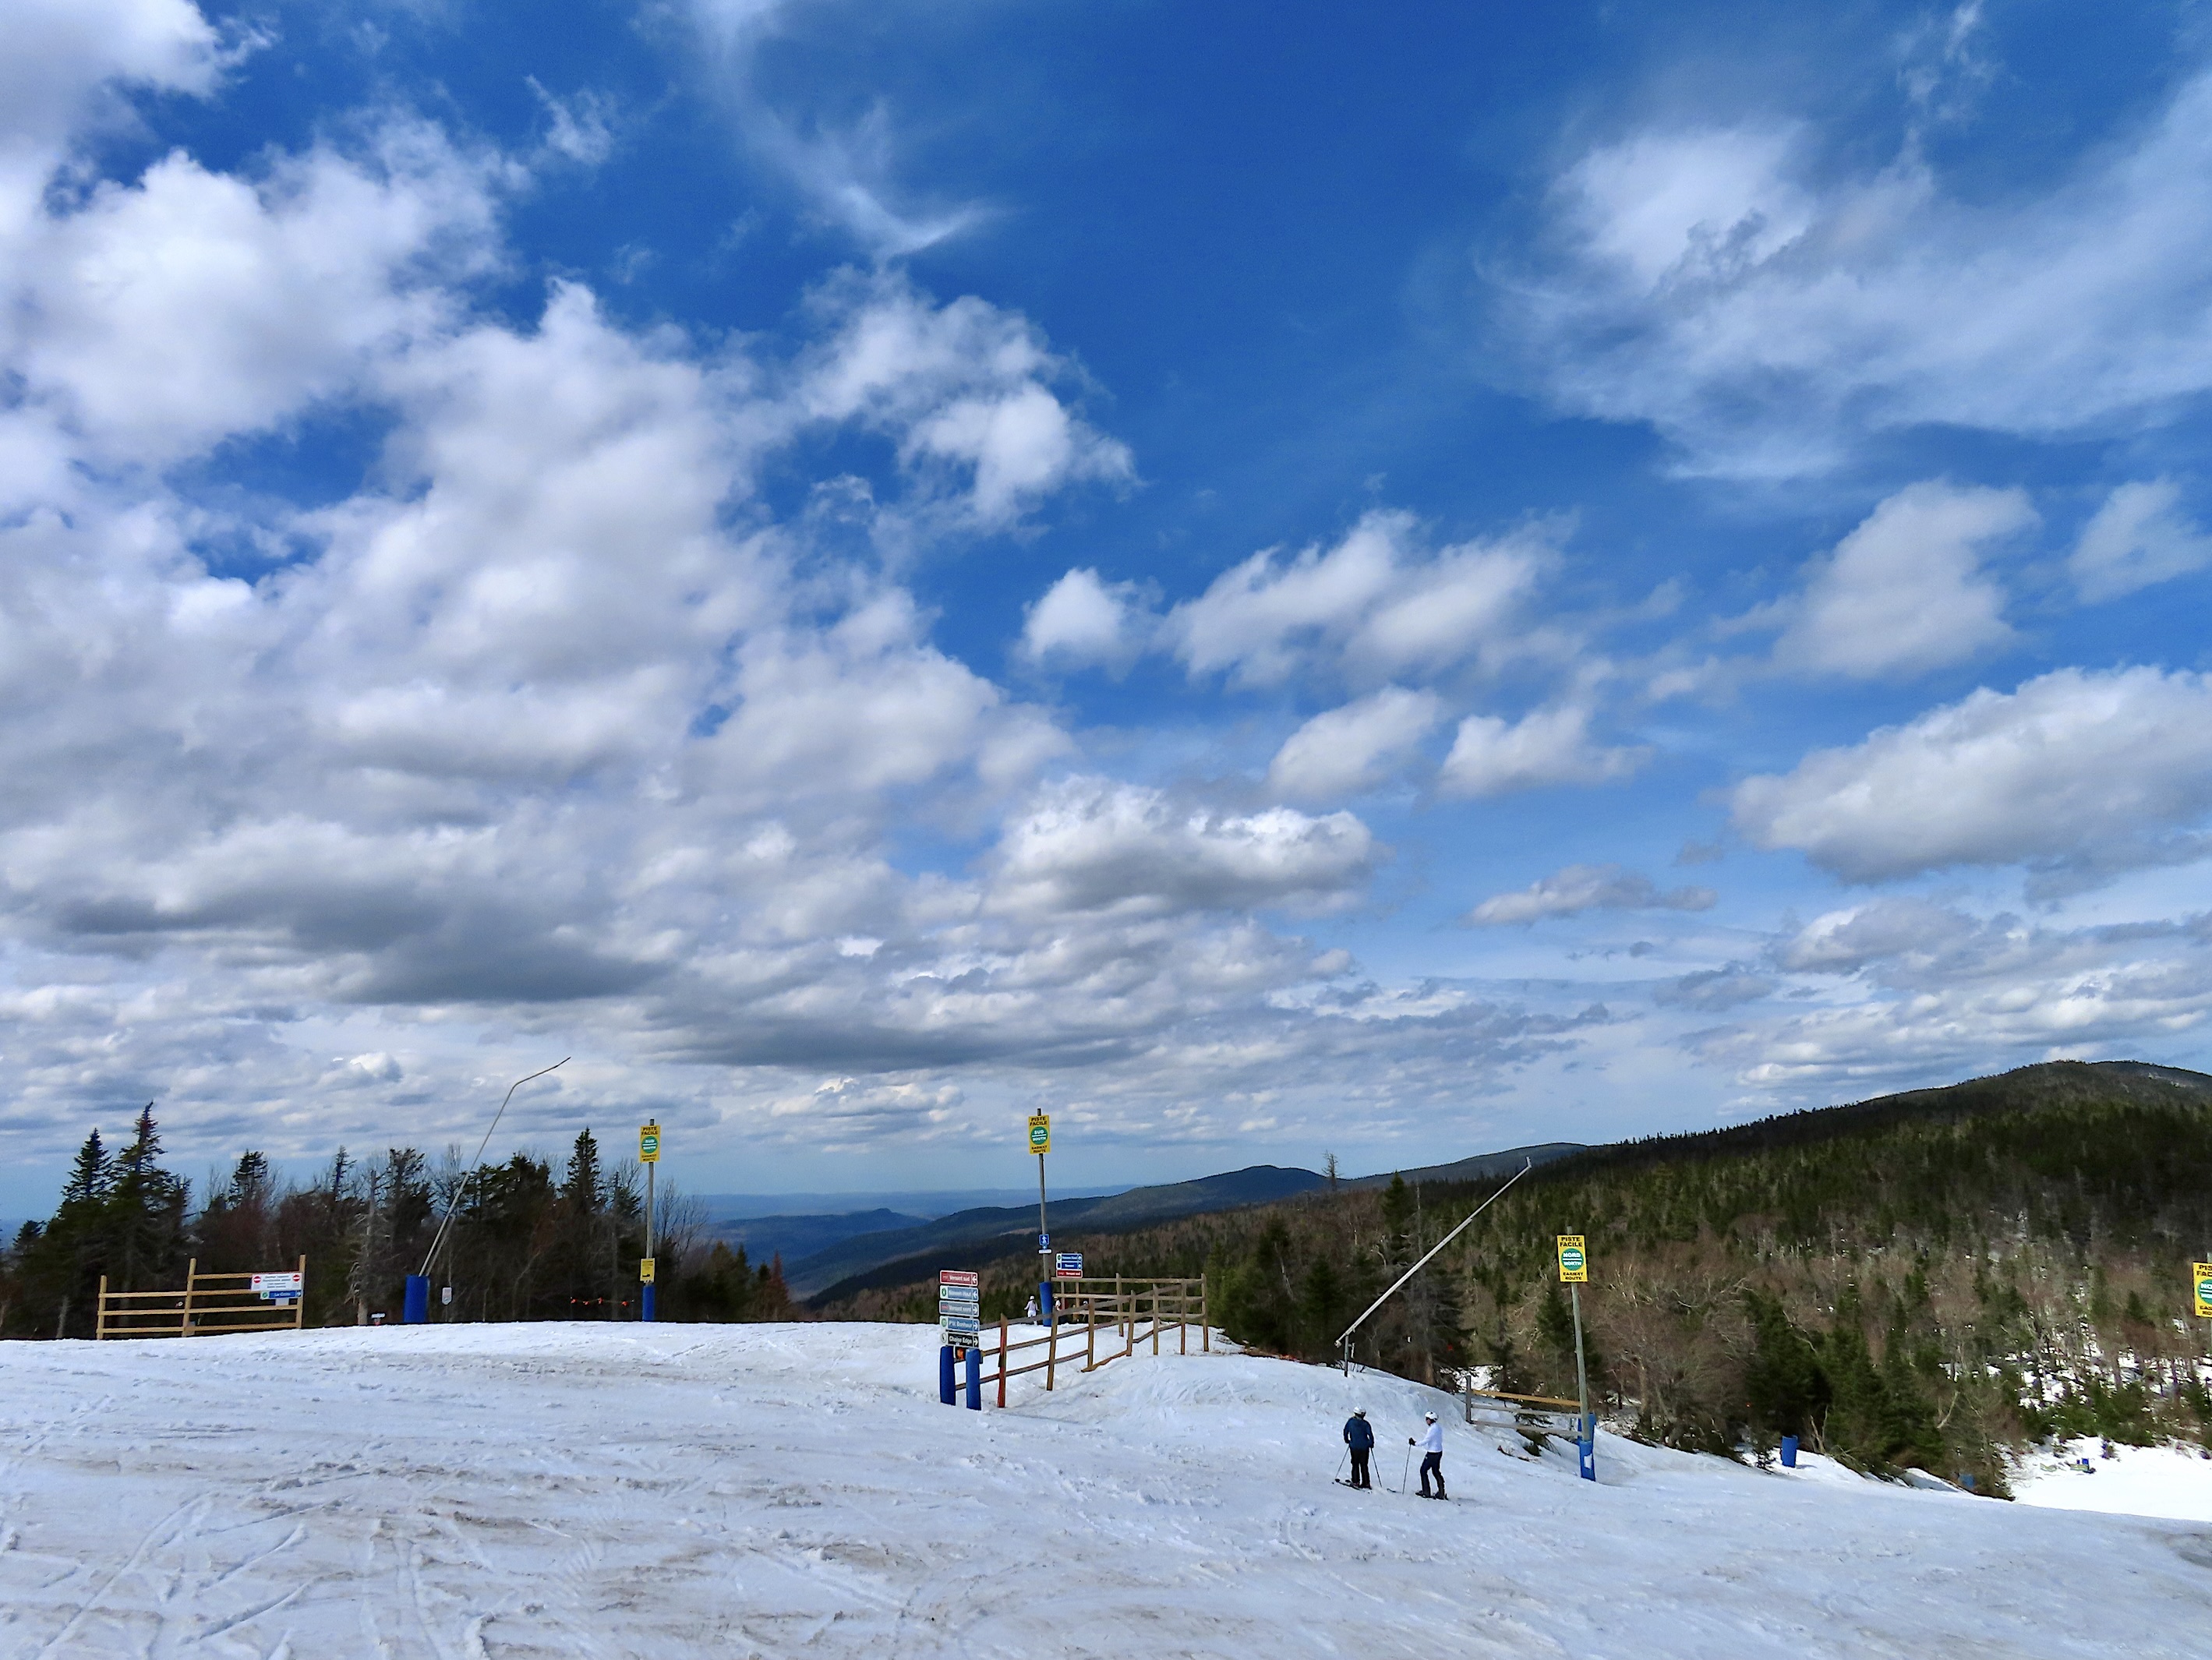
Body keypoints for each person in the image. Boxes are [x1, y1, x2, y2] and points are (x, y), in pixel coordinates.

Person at [1411, 1411, 1447, 1499]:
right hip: (1438, 1452)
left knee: (1423, 1470)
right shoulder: (1438, 1427)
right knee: (1436, 1471)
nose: (1426, 1421)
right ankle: (1441, 1492)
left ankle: (1426, 1492)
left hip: (1432, 1453)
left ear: (1431, 1420)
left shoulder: (1432, 1429)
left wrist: (1415, 1443)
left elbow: (1426, 1440)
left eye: (1427, 1419)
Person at [1342, 1408, 1374, 1488]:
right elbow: (1370, 1435)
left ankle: (1356, 1481)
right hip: (1364, 1447)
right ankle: (1366, 1483)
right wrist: (1370, 1443)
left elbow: (1346, 1431)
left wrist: (1347, 1440)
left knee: (1355, 1464)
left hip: (1354, 1446)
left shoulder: (1351, 1422)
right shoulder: (1366, 1424)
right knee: (1364, 1465)